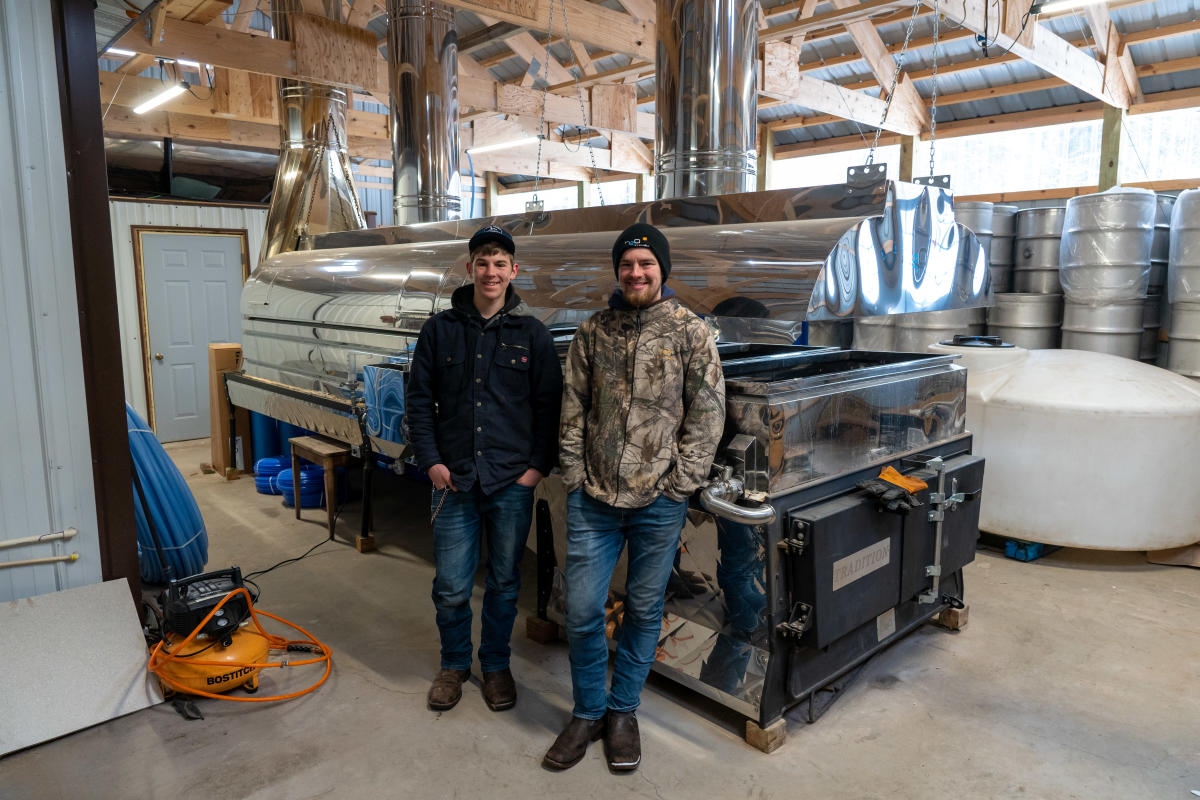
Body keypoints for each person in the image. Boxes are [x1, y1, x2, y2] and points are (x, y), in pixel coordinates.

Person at [544, 223, 725, 772]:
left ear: (662, 270)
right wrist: (573, 474)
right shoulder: (593, 331)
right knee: (580, 611)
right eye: (627, 265)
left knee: (645, 610)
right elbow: (572, 404)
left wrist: (680, 484)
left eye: (646, 264)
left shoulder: (691, 332)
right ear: (617, 271)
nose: (636, 273)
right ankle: (586, 711)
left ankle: (622, 712)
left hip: (658, 502)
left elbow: (708, 411)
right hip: (592, 499)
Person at [407, 225, 562, 714]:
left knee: (503, 583)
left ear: (514, 271)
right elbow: (418, 402)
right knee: (451, 584)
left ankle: (495, 666)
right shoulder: (439, 331)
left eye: (500, 263)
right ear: (468, 268)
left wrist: (536, 468)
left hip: (510, 482)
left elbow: (549, 407)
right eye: (482, 261)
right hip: (452, 481)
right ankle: (454, 664)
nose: (491, 271)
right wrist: (430, 460)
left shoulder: (532, 334)